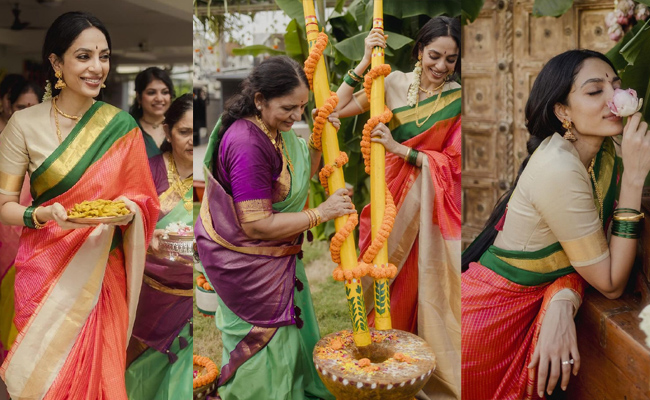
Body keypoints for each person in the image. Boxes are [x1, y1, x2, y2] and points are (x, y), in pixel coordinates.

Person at [461, 50, 650, 399]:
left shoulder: (603, 153)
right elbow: (609, 283)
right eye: (595, 92)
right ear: (563, 112)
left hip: (522, 310)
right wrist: (635, 180)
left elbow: (594, 249)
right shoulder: (559, 168)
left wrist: (562, 296)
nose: (614, 98)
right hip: (488, 327)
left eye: (616, 86)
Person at [0, 11, 159, 399]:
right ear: (56, 62)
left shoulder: (120, 126)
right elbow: (3, 203)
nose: (97, 68)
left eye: (103, 56)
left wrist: (127, 208)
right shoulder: (23, 124)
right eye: (84, 56)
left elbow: (144, 199)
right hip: (44, 269)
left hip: (102, 270)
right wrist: (39, 214)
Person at [195, 55, 354, 400]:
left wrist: (316, 137)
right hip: (250, 266)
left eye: (302, 107)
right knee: (264, 356)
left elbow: (297, 178)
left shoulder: (270, 130)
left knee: (288, 348)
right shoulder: (247, 144)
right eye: (289, 108)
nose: (297, 116)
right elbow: (257, 225)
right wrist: (322, 213)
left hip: (277, 258)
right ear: (259, 100)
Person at [334, 16, 461, 399]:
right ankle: (374, 366)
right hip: (387, 199)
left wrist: (399, 148)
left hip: (428, 212)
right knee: (378, 280)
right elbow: (335, 112)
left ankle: (409, 373)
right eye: (434, 56)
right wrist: (362, 63)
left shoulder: (457, 99)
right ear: (419, 51)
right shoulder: (390, 83)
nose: (441, 67)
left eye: (451, 60)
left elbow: (454, 163)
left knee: (415, 289)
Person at [125, 93, 193, 399]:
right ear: (167, 132)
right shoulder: (146, 171)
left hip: (194, 298)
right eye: (184, 132)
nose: (193, 141)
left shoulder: (218, 172)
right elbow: (122, 222)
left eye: (199, 133)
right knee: (140, 379)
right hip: (149, 298)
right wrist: (146, 235)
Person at [129, 67, 174, 157]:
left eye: (165, 92)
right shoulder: (128, 130)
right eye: (151, 92)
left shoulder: (178, 128)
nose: (159, 98)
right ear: (139, 97)